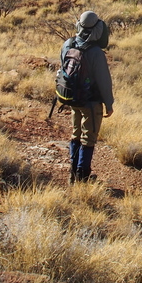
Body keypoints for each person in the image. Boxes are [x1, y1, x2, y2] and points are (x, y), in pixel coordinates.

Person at [61, 10, 115, 183]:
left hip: (72, 98)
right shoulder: (96, 53)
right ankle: (83, 175)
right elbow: (103, 81)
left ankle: (73, 173)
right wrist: (109, 103)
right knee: (88, 137)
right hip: (90, 102)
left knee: (76, 133)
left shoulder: (68, 44)